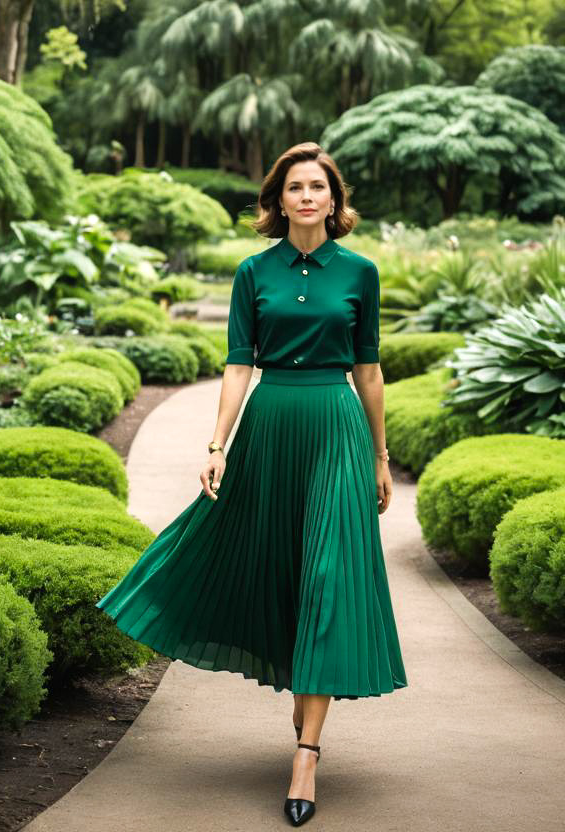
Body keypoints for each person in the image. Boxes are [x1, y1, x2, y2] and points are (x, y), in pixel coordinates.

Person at [95, 141, 408, 827]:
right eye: (294, 186)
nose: (305, 196)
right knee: (284, 575)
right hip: (269, 428)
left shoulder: (359, 273)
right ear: (278, 199)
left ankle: (307, 752)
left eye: (316, 187)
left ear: (334, 199)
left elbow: (370, 372)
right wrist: (217, 446)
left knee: (327, 575)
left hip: (336, 429)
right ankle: (305, 710)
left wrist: (381, 458)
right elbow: (239, 365)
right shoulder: (252, 273)